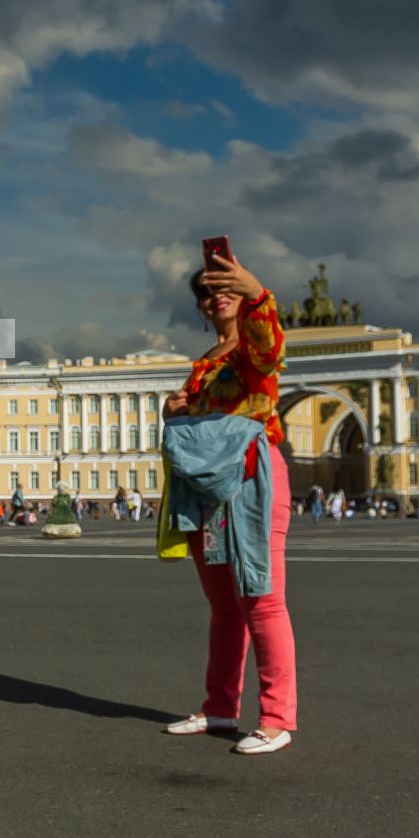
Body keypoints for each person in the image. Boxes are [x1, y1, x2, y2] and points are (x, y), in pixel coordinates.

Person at [160, 248, 296, 756]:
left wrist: (255, 289)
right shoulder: (204, 365)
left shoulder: (251, 351)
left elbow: (268, 345)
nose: (215, 296)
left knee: (261, 600)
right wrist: (171, 410)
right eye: (205, 291)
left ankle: (277, 718)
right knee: (224, 606)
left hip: (252, 481)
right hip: (206, 491)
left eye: (225, 288)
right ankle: (220, 707)